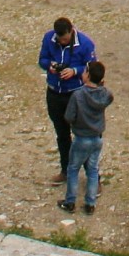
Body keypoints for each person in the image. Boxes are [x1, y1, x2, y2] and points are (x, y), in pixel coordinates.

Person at [38, 17, 95, 181]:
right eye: (60, 39)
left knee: (83, 137)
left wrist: (75, 71)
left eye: (65, 39)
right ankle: (66, 171)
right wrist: (50, 66)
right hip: (54, 93)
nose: (62, 42)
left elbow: (92, 66)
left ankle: (93, 177)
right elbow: (42, 59)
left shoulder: (85, 43)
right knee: (62, 135)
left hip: (75, 94)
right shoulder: (49, 38)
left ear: (71, 31)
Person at [62, 59, 112, 214]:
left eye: (85, 71)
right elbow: (110, 96)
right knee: (92, 170)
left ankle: (70, 201)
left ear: (88, 75)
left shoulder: (78, 95)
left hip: (81, 138)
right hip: (97, 138)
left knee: (73, 169)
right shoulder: (104, 95)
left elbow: (69, 116)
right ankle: (90, 203)